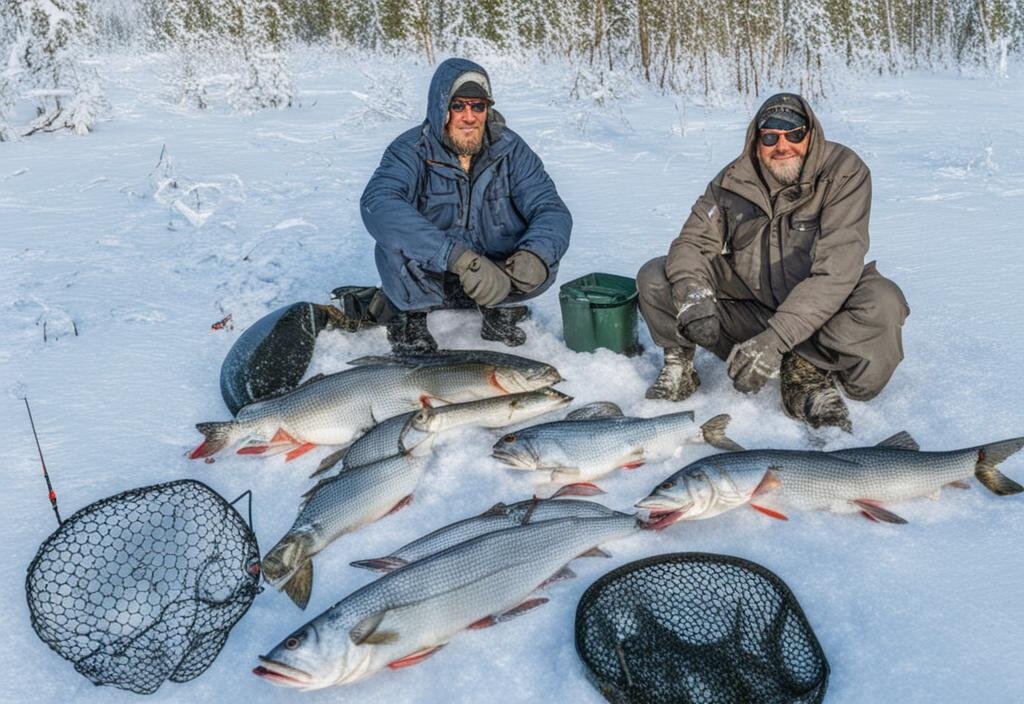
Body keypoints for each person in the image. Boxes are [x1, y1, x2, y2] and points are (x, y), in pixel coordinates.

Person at [636, 93, 909, 431]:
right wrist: (695, 294)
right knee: (657, 275)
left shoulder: (844, 173)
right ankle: (680, 366)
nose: (783, 146)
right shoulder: (731, 181)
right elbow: (693, 241)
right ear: (756, 140)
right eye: (770, 137)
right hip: (755, 301)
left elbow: (835, 272)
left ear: (810, 133)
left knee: (882, 302)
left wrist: (776, 339)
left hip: (827, 313)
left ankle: (804, 364)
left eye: (794, 134)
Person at [358, 58, 572, 353]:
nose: (469, 116)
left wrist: (535, 254)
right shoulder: (409, 150)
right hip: (430, 271)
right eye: (458, 106)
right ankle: (411, 317)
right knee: (393, 241)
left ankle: (495, 305)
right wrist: (458, 259)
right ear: (441, 109)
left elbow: (549, 207)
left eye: (478, 106)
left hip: (493, 273)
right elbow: (378, 203)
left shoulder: (512, 150)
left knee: (545, 261)